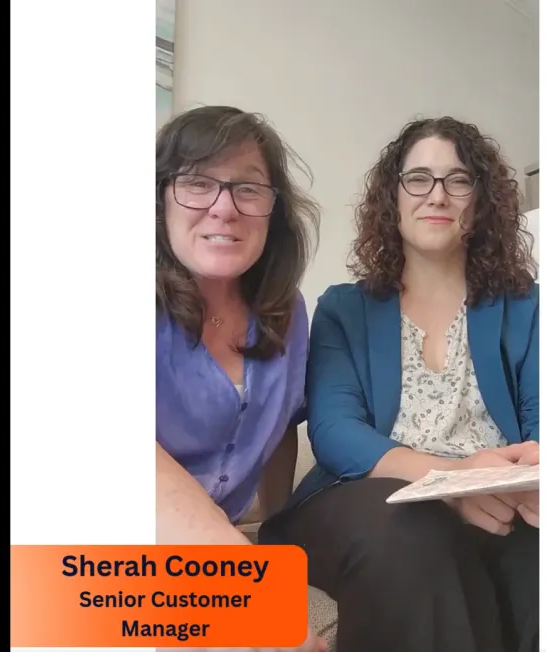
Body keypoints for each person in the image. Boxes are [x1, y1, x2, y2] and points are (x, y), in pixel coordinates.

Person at [260, 117, 540, 652]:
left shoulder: (526, 306)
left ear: (481, 201)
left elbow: (541, 419)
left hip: (498, 498)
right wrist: (452, 480)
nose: (437, 194)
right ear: (394, 196)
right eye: (419, 178)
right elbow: (335, 432)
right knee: (414, 532)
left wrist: (520, 475)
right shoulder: (344, 309)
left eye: (458, 180)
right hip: (368, 501)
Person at [154, 105, 326, 652]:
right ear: (159, 199)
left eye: (248, 188)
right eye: (197, 183)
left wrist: (275, 535)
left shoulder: (287, 312)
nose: (224, 208)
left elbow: (281, 429)